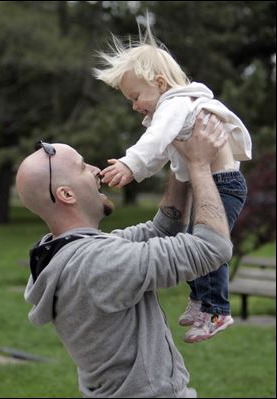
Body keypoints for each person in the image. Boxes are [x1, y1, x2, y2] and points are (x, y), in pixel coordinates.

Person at [16, 114, 232, 398]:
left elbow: (162, 229)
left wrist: (176, 157)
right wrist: (199, 166)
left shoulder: (66, 254)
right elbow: (212, 247)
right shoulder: (98, 263)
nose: (95, 169)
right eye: (83, 166)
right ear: (67, 194)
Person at [93, 22, 251, 343]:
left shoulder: (175, 104)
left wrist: (129, 164)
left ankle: (217, 309)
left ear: (160, 83)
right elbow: (163, 156)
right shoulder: (175, 108)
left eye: (136, 96)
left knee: (205, 244)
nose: (135, 105)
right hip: (212, 181)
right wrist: (141, 168)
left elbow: (156, 140)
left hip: (224, 184)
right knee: (193, 241)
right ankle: (200, 300)